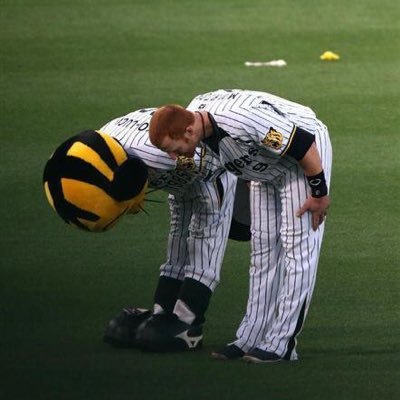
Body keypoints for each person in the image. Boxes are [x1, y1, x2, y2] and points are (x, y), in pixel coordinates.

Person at [43, 107, 249, 352]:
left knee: (205, 233)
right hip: (180, 176)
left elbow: (213, 165)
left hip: (214, 172)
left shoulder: (161, 158)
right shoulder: (112, 146)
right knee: (177, 236)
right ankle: (163, 313)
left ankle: (189, 324)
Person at [149, 89, 332, 362]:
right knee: (262, 251)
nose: (174, 157)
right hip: (262, 165)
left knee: (298, 250)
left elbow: (302, 144)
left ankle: (282, 344)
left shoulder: (243, 119)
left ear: (188, 131)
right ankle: (250, 337)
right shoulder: (194, 118)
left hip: (302, 159)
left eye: (173, 150)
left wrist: (319, 193)